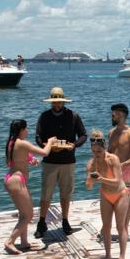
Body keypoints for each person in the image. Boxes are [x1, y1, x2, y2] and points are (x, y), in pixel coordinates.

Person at [35, 86, 88, 237]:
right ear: (51, 102)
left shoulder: (73, 116)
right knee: (46, 194)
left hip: (68, 161)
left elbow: (83, 135)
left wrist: (74, 145)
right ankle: (41, 222)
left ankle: (65, 221)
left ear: (63, 102)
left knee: (66, 194)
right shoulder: (44, 116)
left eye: (59, 102)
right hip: (50, 160)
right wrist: (45, 146)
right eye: (54, 102)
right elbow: (38, 137)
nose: (57, 105)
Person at [3, 119, 57, 254]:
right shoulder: (23, 143)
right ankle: (10, 241)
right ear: (21, 130)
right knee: (28, 215)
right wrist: (50, 142)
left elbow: (16, 158)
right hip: (17, 181)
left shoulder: (11, 142)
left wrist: (30, 159)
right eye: (26, 129)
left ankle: (24, 242)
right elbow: (45, 153)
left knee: (23, 213)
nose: (27, 131)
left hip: (11, 179)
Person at [85, 130, 129, 259]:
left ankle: (122, 257)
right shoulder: (92, 164)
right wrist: (90, 181)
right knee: (106, 227)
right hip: (105, 194)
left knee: (120, 226)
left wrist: (100, 178)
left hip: (120, 194)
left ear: (104, 148)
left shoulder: (113, 159)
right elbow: (88, 187)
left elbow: (117, 180)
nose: (96, 154)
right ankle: (108, 254)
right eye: (93, 151)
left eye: (98, 151)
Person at [108, 102, 130, 234]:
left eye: (114, 114)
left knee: (125, 199)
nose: (111, 116)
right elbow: (108, 152)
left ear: (121, 115)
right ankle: (111, 227)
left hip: (125, 171)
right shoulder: (111, 133)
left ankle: (124, 229)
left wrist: (121, 165)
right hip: (111, 171)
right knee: (110, 198)